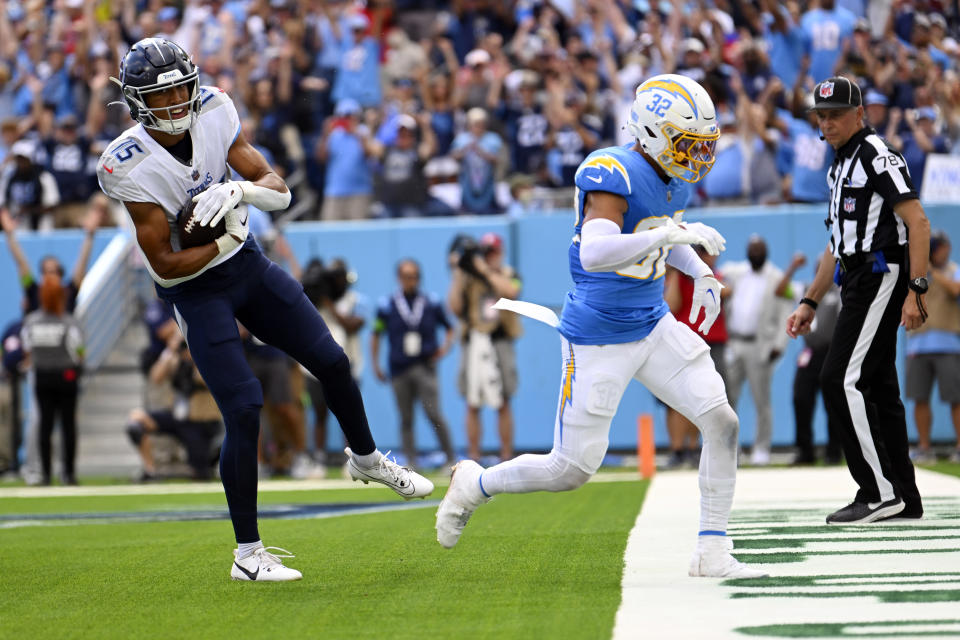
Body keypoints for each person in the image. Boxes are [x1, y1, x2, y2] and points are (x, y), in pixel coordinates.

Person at [96, 38, 433, 582]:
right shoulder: (127, 164)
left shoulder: (215, 108)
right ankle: (247, 553)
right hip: (196, 289)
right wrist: (225, 241)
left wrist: (240, 195)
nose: (180, 100)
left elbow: (278, 190)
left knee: (333, 360)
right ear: (135, 102)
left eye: (183, 86)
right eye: (164, 95)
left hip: (246, 265)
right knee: (245, 408)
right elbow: (162, 264)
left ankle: (366, 458)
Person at [436, 74, 768, 579]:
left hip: (652, 323)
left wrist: (698, 269)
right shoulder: (613, 170)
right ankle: (475, 484)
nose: (696, 156)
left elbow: (657, 231)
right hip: (598, 335)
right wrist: (677, 235)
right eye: (687, 144)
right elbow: (596, 251)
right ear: (655, 134)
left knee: (722, 421)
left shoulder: (670, 174)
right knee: (569, 470)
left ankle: (713, 552)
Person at [787, 76, 930, 525]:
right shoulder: (838, 164)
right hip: (856, 278)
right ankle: (904, 496)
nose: (826, 123)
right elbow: (836, 242)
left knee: (840, 378)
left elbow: (918, 222)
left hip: (879, 273)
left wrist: (917, 289)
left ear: (859, 113)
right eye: (821, 116)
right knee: (880, 388)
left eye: (835, 115)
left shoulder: (875, 155)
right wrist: (810, 300)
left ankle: (877, 491)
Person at [371, 258, 456, 468]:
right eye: (407, 276)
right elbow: (376, 333)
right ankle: (410, 461)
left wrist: (444, 348)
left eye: (415, 276)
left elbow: (449, 327)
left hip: (425, 366)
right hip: (399, 369)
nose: (411, 281)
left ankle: (450, 458)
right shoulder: (387, 305)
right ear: (399, 278)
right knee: (405, 417)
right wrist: (375, 363)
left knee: (434, 414)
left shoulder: (431, 302)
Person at [721, 236, 796, 466]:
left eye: (759, 250)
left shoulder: (775, 278)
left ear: (766, 253)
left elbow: (786, 309)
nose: (755, 253)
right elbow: (717, 272)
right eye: (751, 249)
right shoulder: (736, 272)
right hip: (734, 342)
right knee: (727, 398)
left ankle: (761, 447)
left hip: (758, 346)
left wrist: (779, 345)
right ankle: (730, 448)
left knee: (761, 399)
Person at [447, 232, 522, 462]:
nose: (489, 257)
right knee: (472, 402)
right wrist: (459, 272)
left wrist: (485, 270)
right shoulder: (469, 279)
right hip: (474, 341)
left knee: (503, 401)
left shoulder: (511, 274)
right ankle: (474, 456)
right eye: (485, 252)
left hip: (500, 340)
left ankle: (506, 456)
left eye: (493, 252)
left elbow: (512, 291)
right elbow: (454, 307)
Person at [662, 245, 730, 469]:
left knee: (703, 396)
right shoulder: (680, 277)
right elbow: (672, 305)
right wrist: (673, 272)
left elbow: (725, 291)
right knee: (674, 401)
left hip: (710, 341)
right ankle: (677, 449)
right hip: (684, 341)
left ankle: (693, 447)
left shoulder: (710, 275)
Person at [126, 331, 220, 481]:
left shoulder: (206, 357)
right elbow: (156, 377)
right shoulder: (176, 360)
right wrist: (170, 351)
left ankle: (211, 459)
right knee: (136, 421)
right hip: (178, 417)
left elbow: (206, 379)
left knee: (201, 472)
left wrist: (195, 355)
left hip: (201, 421)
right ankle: (150, 470)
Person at [20, 272, 84, 485]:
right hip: (66, 376)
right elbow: (79, 352)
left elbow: (27, 351)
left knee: (45, 426)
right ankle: (69, 473)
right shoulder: (68, 323)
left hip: (42, 377)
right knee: (68, 426)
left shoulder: (31, 322)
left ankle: (46, 474)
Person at [905, 231, 960, 464]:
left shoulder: (952, 270)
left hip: (948, 345)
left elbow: (956, 291)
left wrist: (933, 272)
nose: (936, 251)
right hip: (917, 344)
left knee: (956, 398)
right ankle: (924, 447)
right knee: (920, 398)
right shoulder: (916, 274)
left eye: (938, 247)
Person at [792, 256, 843, 466]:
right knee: (801, 398)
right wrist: (792, 267)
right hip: (810, 353)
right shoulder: (804, 290)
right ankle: (805, 451)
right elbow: (779, 290)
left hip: (832, 352)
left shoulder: (840, 292)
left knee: (834, 402)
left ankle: (834, 451)